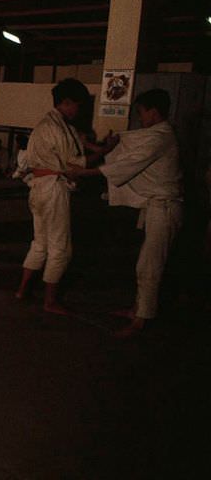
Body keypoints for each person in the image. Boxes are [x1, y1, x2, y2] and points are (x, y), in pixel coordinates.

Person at [68, 89, 181, 337]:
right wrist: (98, 146)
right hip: (156, 207)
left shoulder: (160, 138)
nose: (140, 118)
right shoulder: (155, 136)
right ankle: (138, 309)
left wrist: (83, 172)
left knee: (149, 264)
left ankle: (141, 319)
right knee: (146, 262)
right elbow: (127, 147)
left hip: (165, 207)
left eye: (141, 112)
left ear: (153, 111)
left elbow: (127, 163)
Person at [14, 78, 117, 314]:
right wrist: (103, 163)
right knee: (61, 247)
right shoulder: (57, 127)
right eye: (78, 105)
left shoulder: (50, 124)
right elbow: (74, 164)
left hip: (38, 186)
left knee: (40, 243)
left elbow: (79, 146)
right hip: (53, 187)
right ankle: (50, 301)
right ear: (67, 102)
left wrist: (102, 150)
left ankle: (22, 290)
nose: (79, 110)